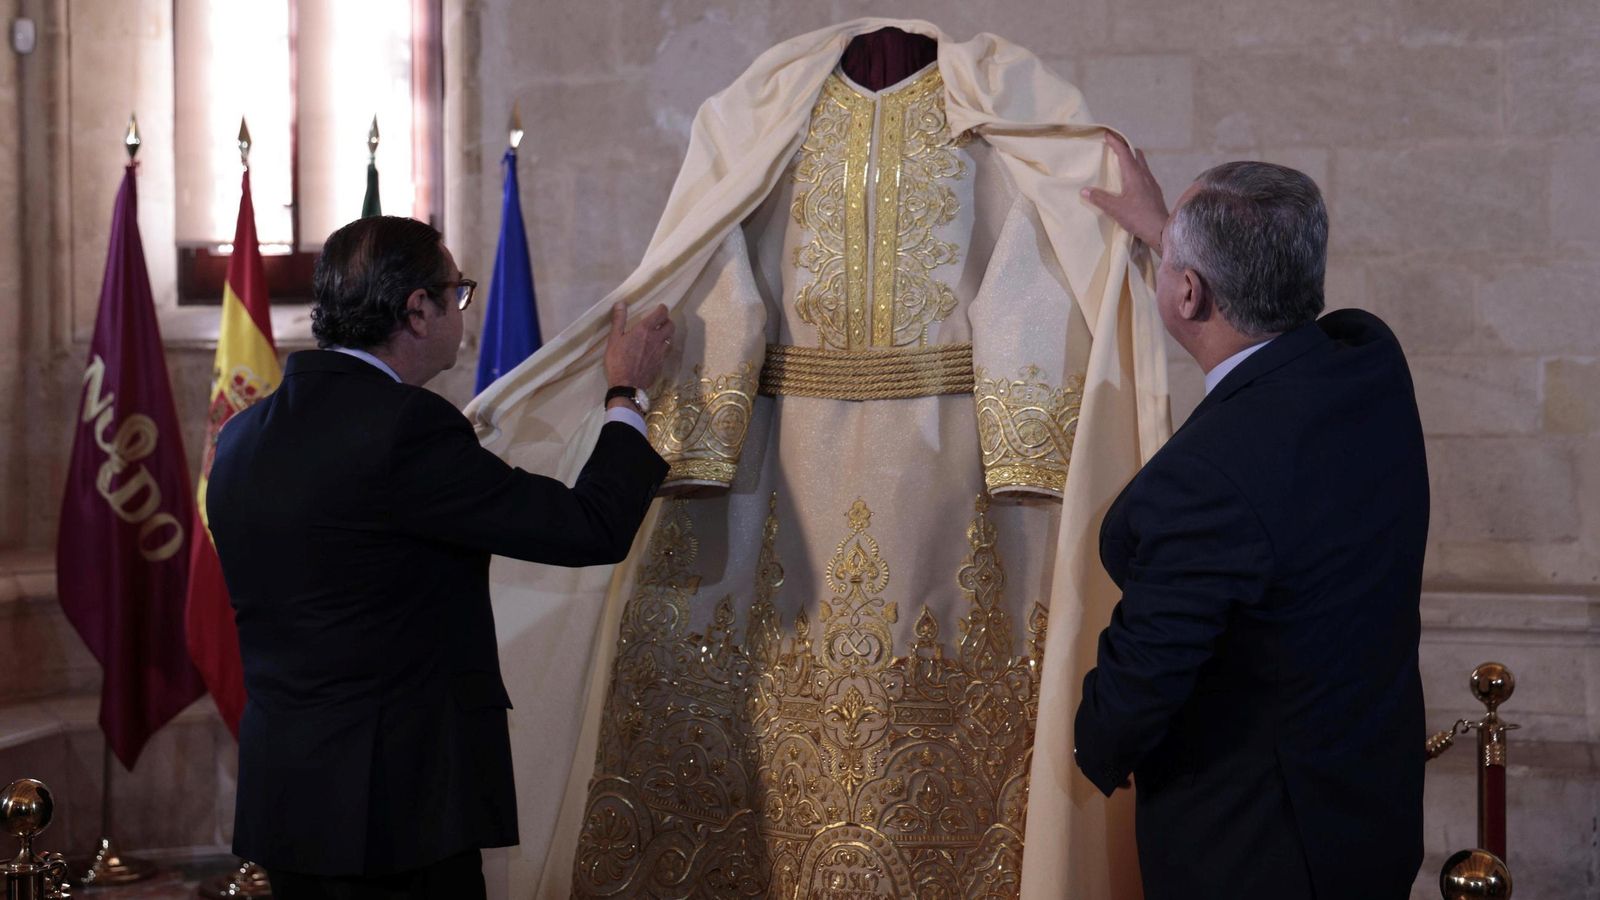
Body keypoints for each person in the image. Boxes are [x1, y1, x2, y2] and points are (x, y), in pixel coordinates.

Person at [204, 215, 673, 899]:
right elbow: (587, 528)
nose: (462, 310)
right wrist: (626, 395)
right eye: (458, 292)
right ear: (418, 309)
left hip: (288, 803)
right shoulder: (405, 427)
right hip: (398, 809)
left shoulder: (241, 436)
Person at [1072, 138, 1428, 900]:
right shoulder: (1371, 364)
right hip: (1369, 828)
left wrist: (1076, 743)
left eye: (1170, 260)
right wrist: (1167, 233)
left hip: (1258, 858)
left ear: (1189, 294)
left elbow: (1128, 705)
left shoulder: (1204, 482)